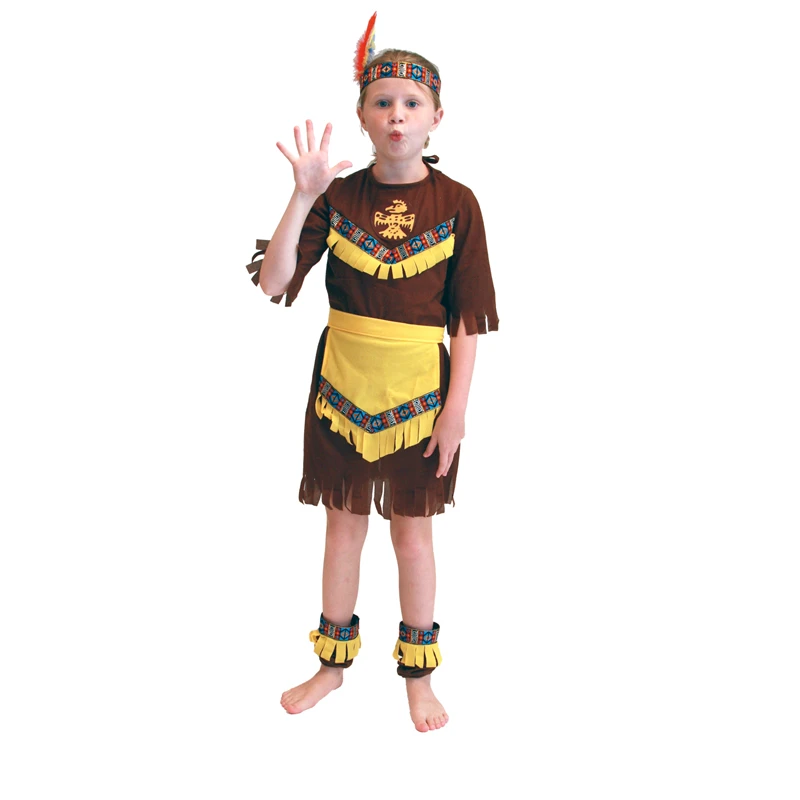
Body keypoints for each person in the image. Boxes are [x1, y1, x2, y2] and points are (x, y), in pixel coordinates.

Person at [245, 12, 498, 732]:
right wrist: (302, 195)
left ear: (437, 117)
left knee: (413, 536)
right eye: (382, 102)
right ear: (361, 114)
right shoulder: (338, 195)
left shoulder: (458, 204)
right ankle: (331, 667)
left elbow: (467, 318)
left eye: (412, 103)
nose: (396, 115)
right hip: (341, 389)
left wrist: (456, 412)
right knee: (342, 529)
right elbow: (274, 282)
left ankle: (419, 677)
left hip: (422, 396)